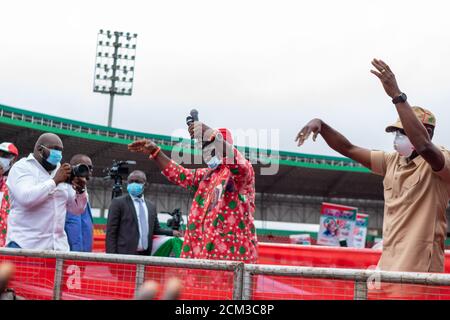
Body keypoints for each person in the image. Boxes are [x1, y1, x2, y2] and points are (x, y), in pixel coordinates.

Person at [296, 59, 450, 273]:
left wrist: (397, 95)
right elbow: (348, 149)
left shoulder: (441, 162)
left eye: (403, 131)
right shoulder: (391, 161)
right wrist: (321, 125)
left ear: (428, 132)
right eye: (396, 132)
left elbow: (424, 146)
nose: (397, 137)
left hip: (420, 271)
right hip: (387, 267)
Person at [128, 121, 258, 263]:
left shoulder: (241, 174)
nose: (207, 152)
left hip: (231, 261)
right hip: (200, 259)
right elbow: (179, 174)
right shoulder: (206, 176)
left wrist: (211, 133)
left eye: (211, 147)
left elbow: (239, 165)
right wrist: (156, 153)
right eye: (205, 147)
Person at [5, 133, 88, 251]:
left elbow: (77, 210)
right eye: (55, 149)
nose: (58, 154)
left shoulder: (62, 170)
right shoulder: (22, 168)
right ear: (40, 149)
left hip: (58, 249)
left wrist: (81, 191)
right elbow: (26, 198)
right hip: (25, 247)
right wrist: (54, 181)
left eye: (61, 150)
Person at [106, 170, 179, 256]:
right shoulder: (118, 203)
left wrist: (172, 232)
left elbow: (155, 229)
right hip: (123, 255)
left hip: (145, 255)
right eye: (131, 181)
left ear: (145, 185)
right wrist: (111, 257)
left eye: (137, 181)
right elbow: (111, 232)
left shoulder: (151, 206)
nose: (133, 184)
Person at [65, 154, 94, 252]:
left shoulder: (84, 192)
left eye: (91, 168)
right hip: (68, 252)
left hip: (84, 253)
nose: (89, 171)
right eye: (86, 167)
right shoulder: (64, 190)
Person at [0, 143, 19, 247]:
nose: (1, 158)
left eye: (5, 155)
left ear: (13, 160)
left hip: (7, 241)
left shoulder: (15, 184)